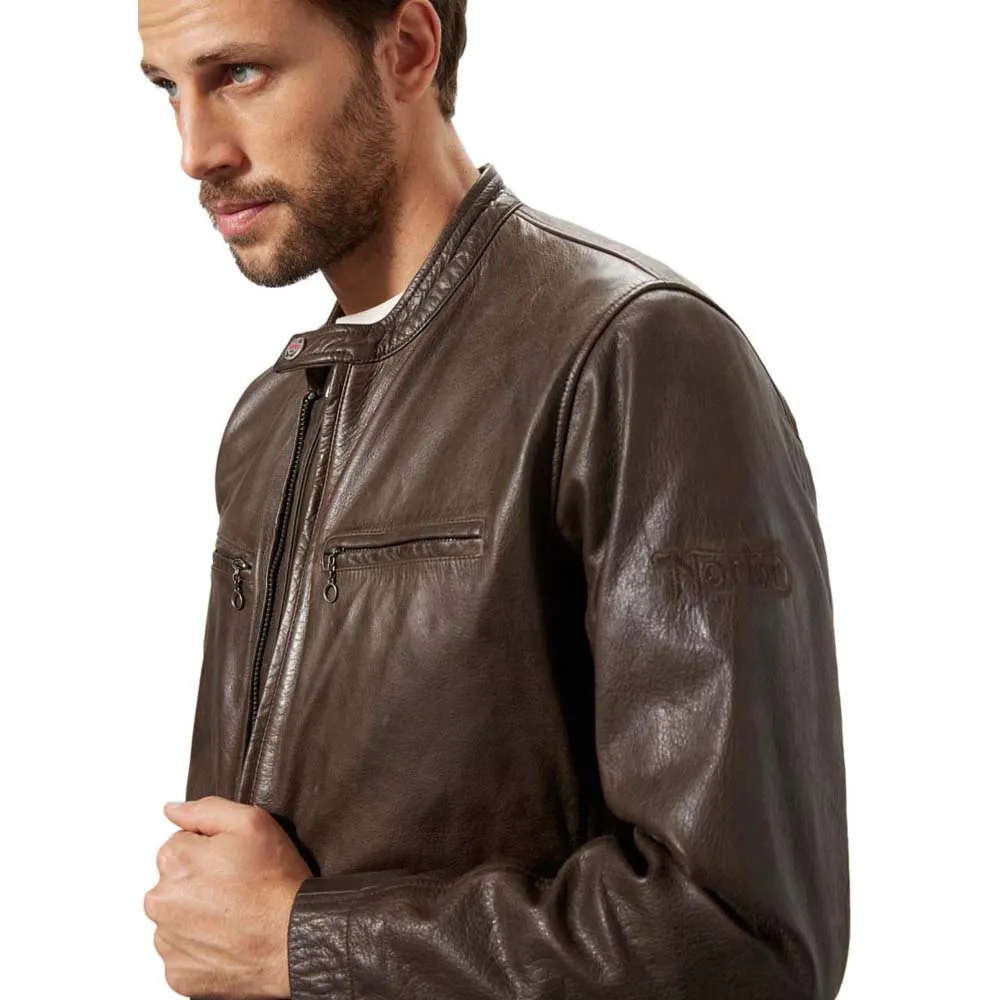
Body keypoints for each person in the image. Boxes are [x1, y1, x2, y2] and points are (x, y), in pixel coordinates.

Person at [138, 1, 851, 997]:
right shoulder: (273, 416)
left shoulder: (633, 355)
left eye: (239, 74)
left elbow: (738, 936)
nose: (196, 151)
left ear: (407, 49)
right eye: (168, 89)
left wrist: (306, 941)